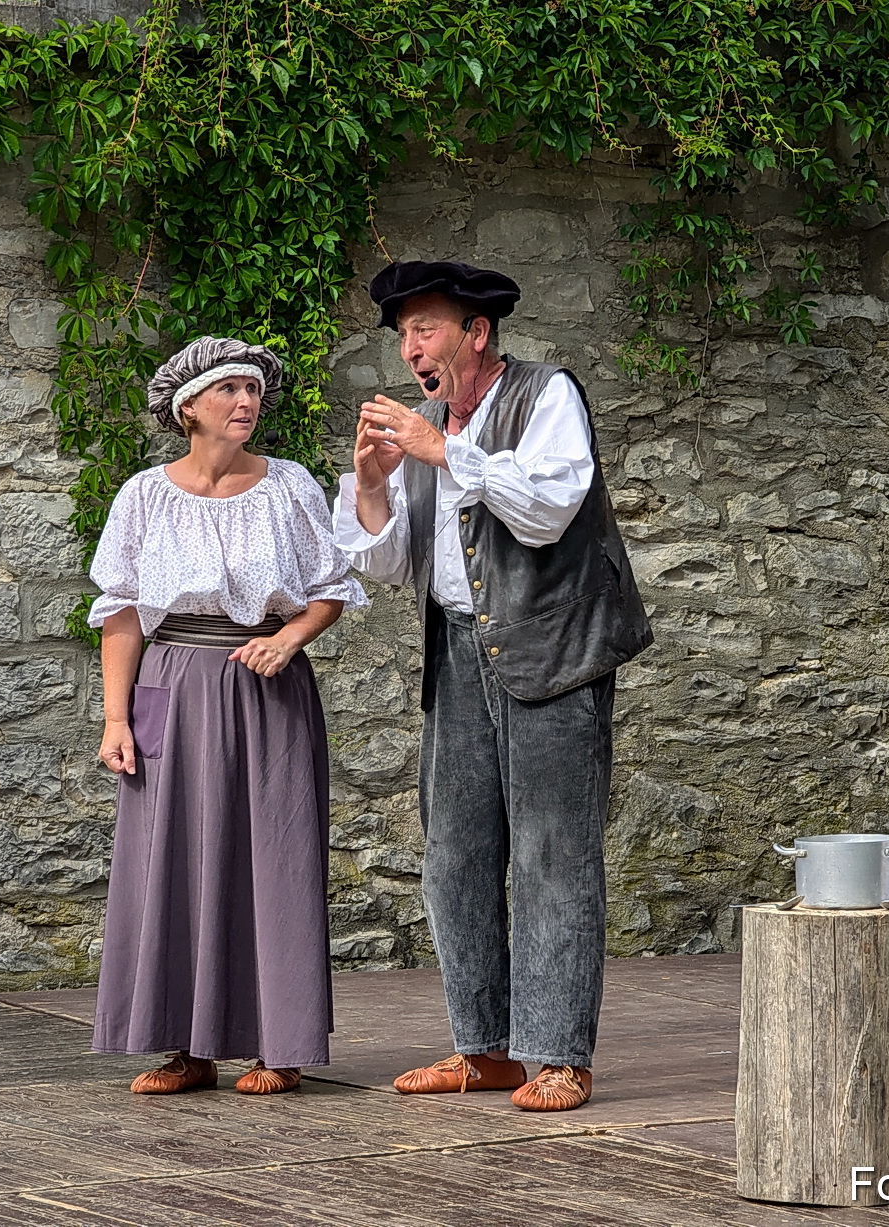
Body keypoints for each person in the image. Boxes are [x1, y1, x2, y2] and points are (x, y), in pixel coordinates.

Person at [332, 260, 652, 1112]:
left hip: (553, 650)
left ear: (476, 333)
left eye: (425, 330)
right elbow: (388, 561)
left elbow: (547, 509)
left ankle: (559, 1055)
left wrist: (445, 450)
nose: (410, 351)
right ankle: (485, 1048)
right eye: (403, 336)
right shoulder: (426, 423)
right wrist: (370, 481)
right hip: (459, 653)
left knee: (553, 854)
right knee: (455, 856)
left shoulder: (547, 396)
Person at [87, 335, 366, 1095]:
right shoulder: (143, 495)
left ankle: (280, 1045)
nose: (246, 402)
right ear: (188, 408)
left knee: (273, 856)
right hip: (169, 682)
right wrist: (116, 719)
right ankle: (185, 1047)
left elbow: (332, 584)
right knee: (167, 855)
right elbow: (120, 614)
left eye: (252, 389)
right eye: (228, 390)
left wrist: (291, 637)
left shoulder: (289, 486)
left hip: (265, 686)